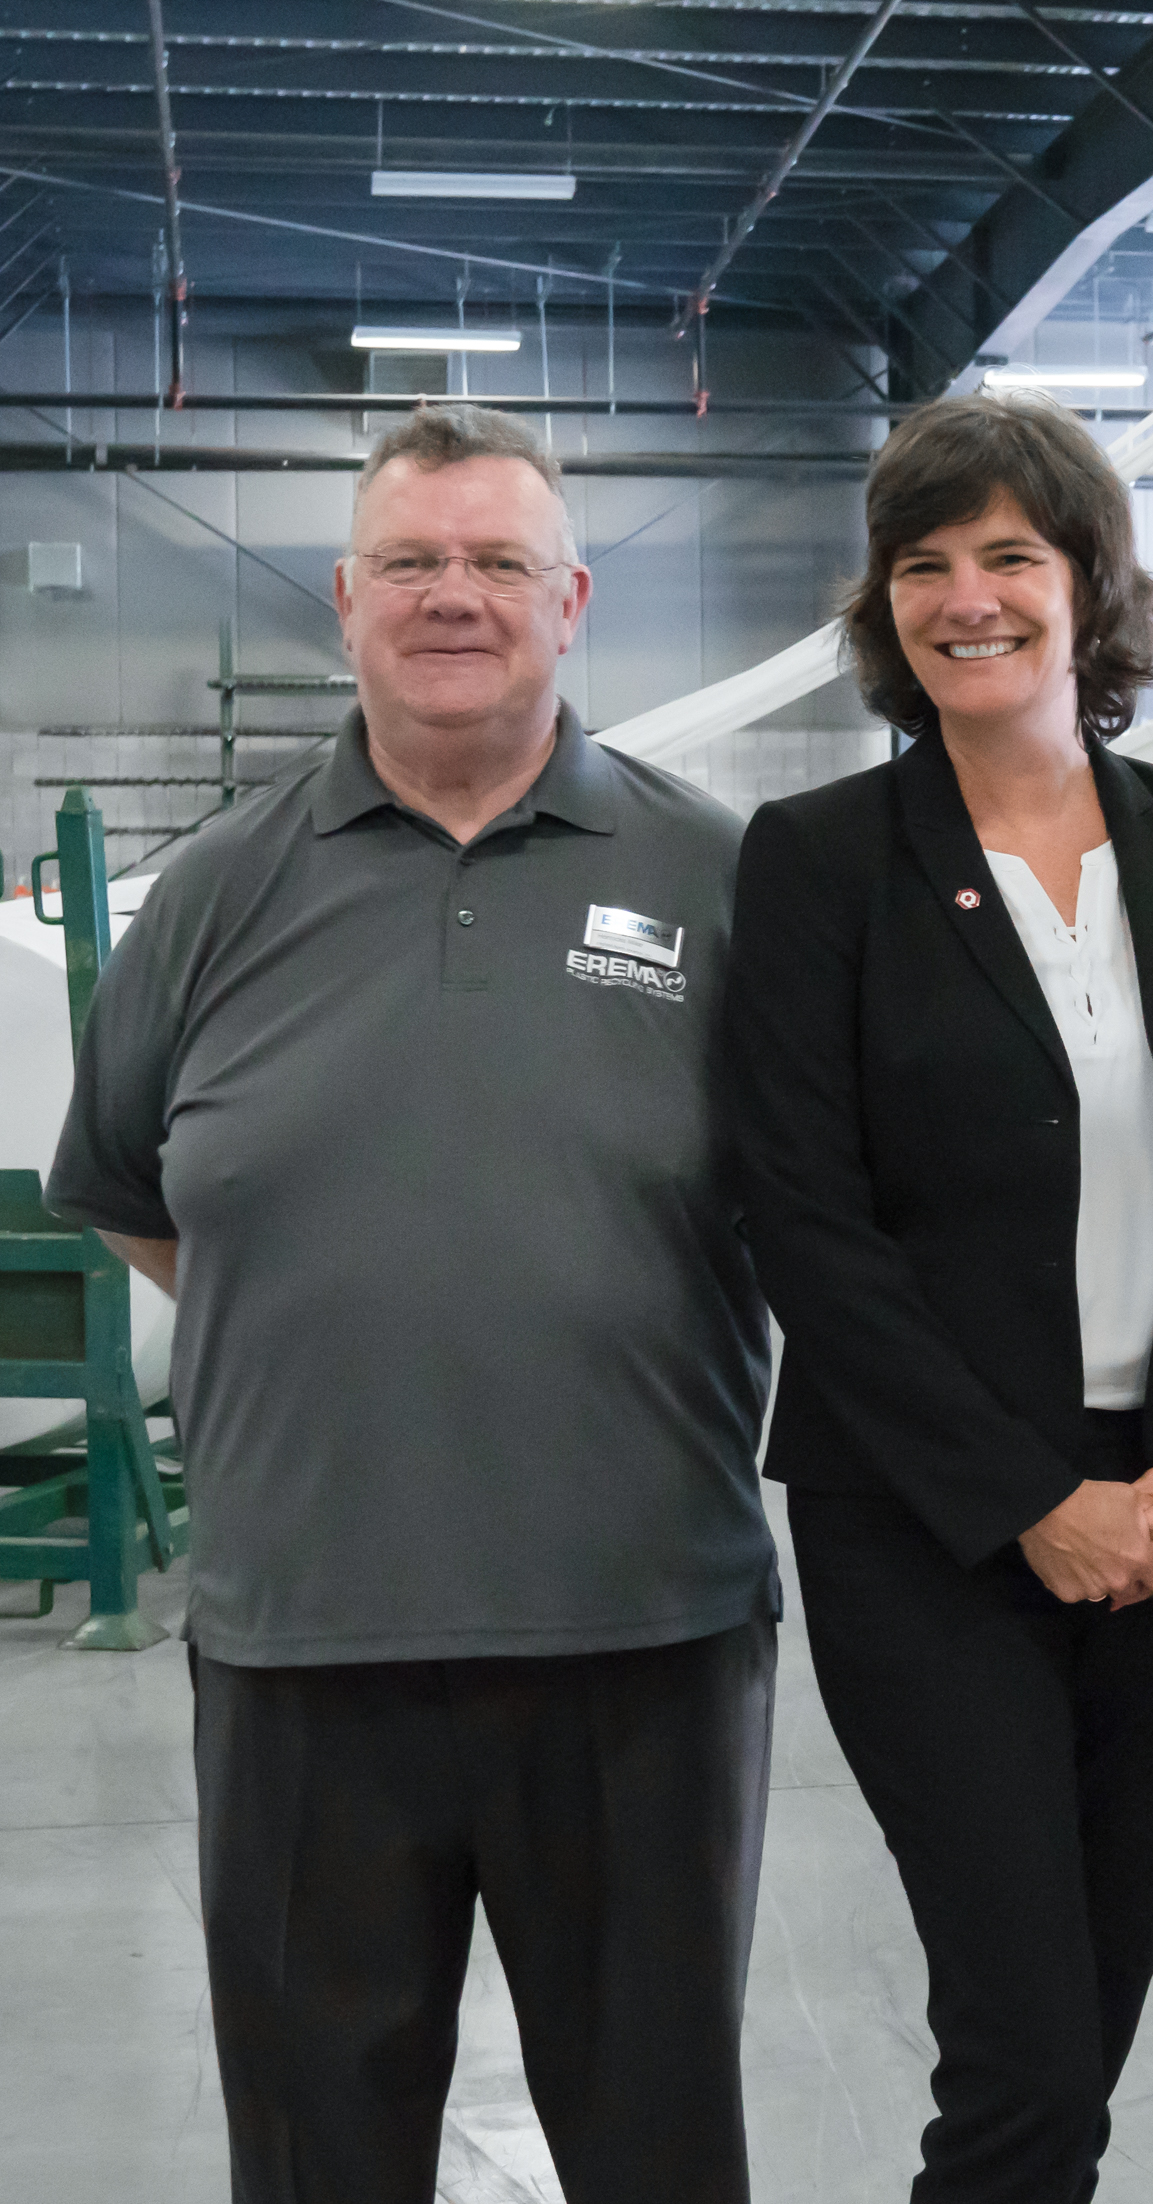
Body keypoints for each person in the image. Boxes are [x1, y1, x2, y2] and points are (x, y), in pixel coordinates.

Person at [48, 403, 777, 2201]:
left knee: (659, 2149)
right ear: (346, 597)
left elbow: (830, 1217)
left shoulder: (724, 880)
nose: (456, 595)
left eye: (500, 561)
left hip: (642, 1639)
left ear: (572, 601)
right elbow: (136, 1194)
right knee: (317, 2155)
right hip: (305, 1641)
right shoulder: (216, 893)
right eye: (412, 562)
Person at [722, 392, 1153, 2203]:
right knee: (1027, 2051)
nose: (966, 598)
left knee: (1086, 2036)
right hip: (928, 1528)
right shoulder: (820, 859)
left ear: (1089, 587)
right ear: (884, 607)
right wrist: (1029, 1500)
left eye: (1008, 556)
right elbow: (805, 1224)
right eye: (923, 565)